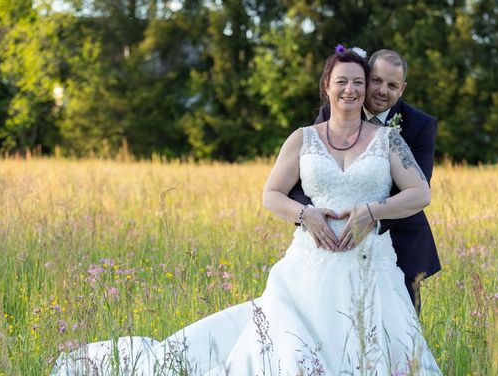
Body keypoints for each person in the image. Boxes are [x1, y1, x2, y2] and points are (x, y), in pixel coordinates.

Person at [52, 47, 442, 375]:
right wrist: (305, 216)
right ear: (327, 86)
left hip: (369, 266)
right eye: (342, 80)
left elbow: (419, 192)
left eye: (359, 82)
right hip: (309, 266)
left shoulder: (390, 139)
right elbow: (271, 193)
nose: (352, 89)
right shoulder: (303, 138)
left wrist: (372, 211)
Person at [289, 48, 441, 313]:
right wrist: (312, 217)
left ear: (402, 89)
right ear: (366, 77)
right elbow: (306, 175)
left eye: (392, 85)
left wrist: (370, 219)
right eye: (377, 81)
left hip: (398, 239)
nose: (383, 90)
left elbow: (418, 187)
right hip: (328, 243)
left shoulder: (420, 125)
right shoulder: (332, 111)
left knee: (399, 331)